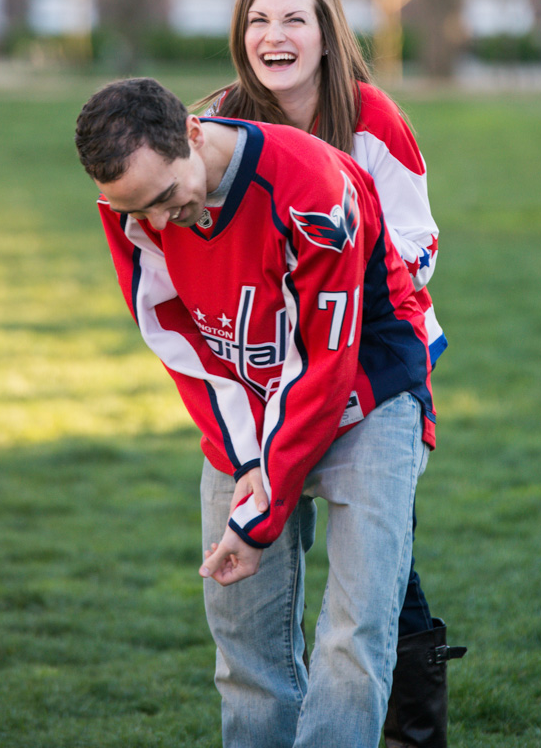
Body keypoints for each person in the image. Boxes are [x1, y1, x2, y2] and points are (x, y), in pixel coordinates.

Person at [75, 76, 439, 748]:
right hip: (250, 402)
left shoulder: (310, 185)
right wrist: (248, 460)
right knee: (243, 639)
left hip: (367, 392)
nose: (155, 223)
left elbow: (322, 364)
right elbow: (177, 338)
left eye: (163, 198)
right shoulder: (129, 207)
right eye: (134, 210)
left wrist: (260, 509)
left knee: (352, 634)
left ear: (190, 131)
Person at [198, 0, 466, 748]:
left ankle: (412, 728)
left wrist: (336, 310)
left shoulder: (369, 116)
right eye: (257, 21)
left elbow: (417, 240)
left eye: (293, 20)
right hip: (268, 371)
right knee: (273, 551)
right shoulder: (219, 120)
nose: (272, 36)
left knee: (378, 569)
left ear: (325, 36)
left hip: (371, 361)